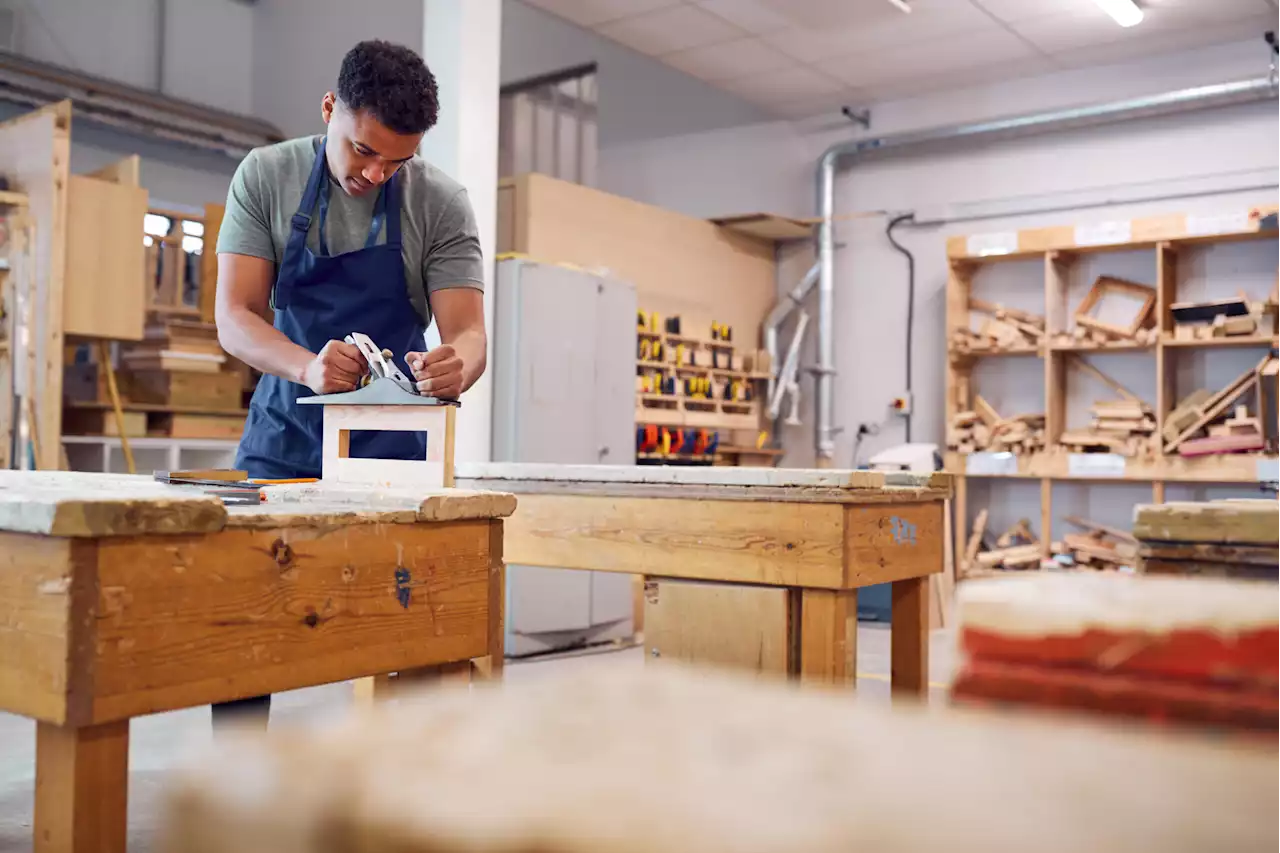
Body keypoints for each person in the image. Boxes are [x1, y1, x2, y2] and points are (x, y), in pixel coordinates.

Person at [212, 39, 487, 731]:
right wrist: (307, 365)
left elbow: (470, 333)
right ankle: (239, 789)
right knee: (248, 617)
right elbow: (235, 317)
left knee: (410, 615)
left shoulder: (442, 201)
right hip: (286, 432)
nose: (376, 172)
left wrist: (459, 361)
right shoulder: (266, 175)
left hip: (395, 447)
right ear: (330, 108)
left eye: (398, 159)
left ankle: (403, 788)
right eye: (363, 150)